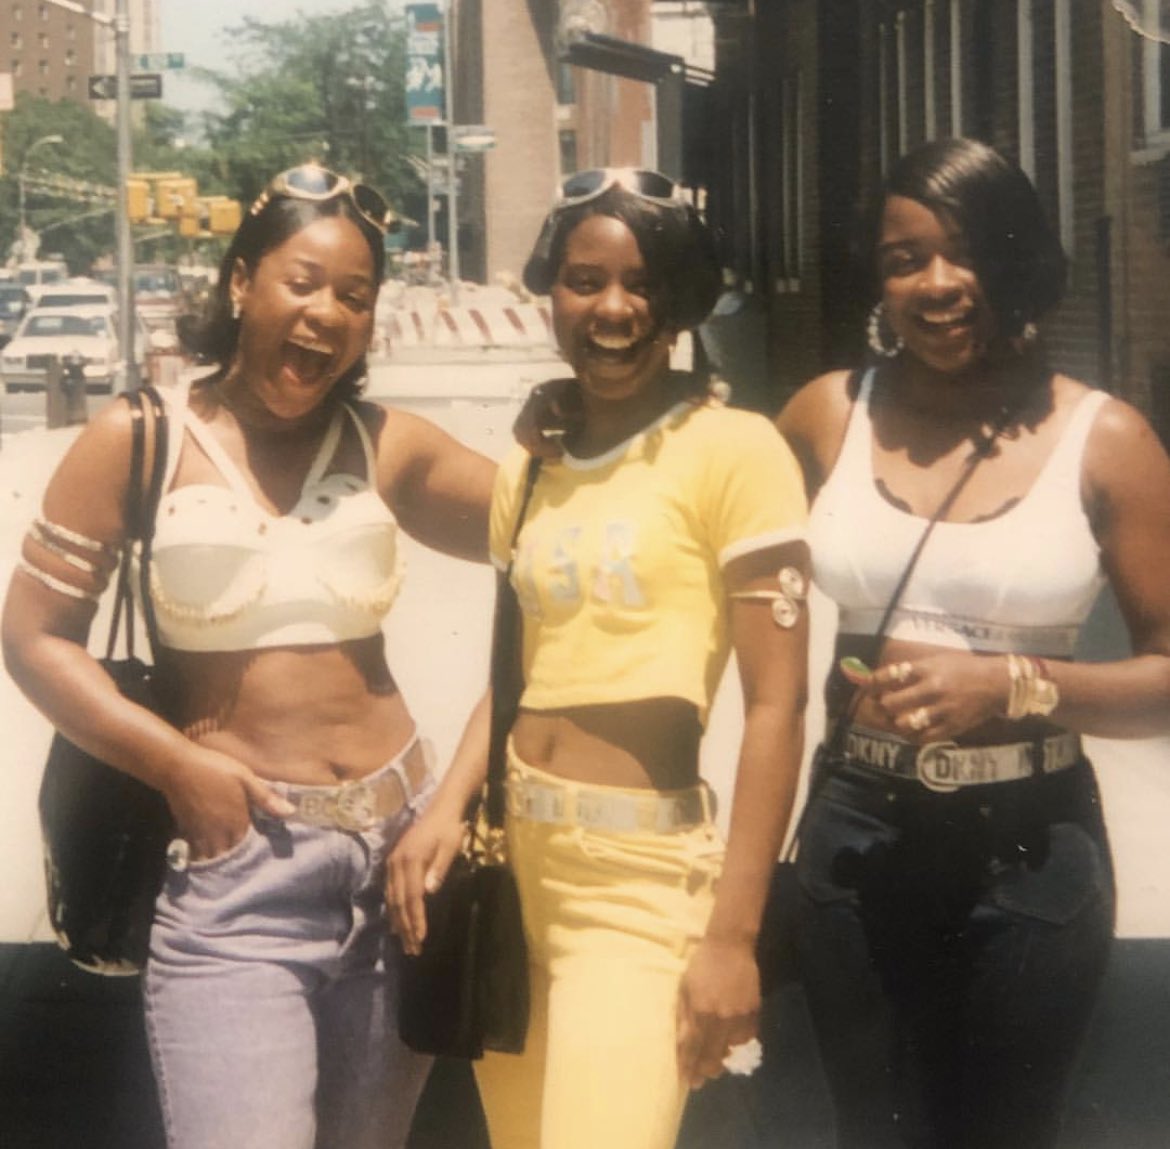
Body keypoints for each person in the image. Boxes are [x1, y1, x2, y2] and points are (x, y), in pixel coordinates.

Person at [2, 164, 496, 1149]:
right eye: (302, 282)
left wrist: (456, 799)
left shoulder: (388, 444)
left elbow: (567, 545)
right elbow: (32, 636)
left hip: (401, 865)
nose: (326, 314)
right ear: (240, 282)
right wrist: (176, 766)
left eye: (355, 296)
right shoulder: (139, 437)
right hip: (237, 875)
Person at [387, 168, 810, 1149]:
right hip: (514, 866)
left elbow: (778, 708)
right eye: (584, 281)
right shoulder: (533, 464)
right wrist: (446, 808)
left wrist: (733, 935)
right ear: (551, 291)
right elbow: (516, 673)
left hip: (639, 881)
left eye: (642, 283)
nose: (612, 308)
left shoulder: (738, 452)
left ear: (681, 301)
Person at [775, 137, 1170, 1148]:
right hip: (857, 832)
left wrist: (1013, 684)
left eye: (967, 252)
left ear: (1017, 260)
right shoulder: (827, 415)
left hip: (1030, 849)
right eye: (905, 259)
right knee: (872, 1131)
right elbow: (704, 519)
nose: (938, 283)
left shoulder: (1107, 439)